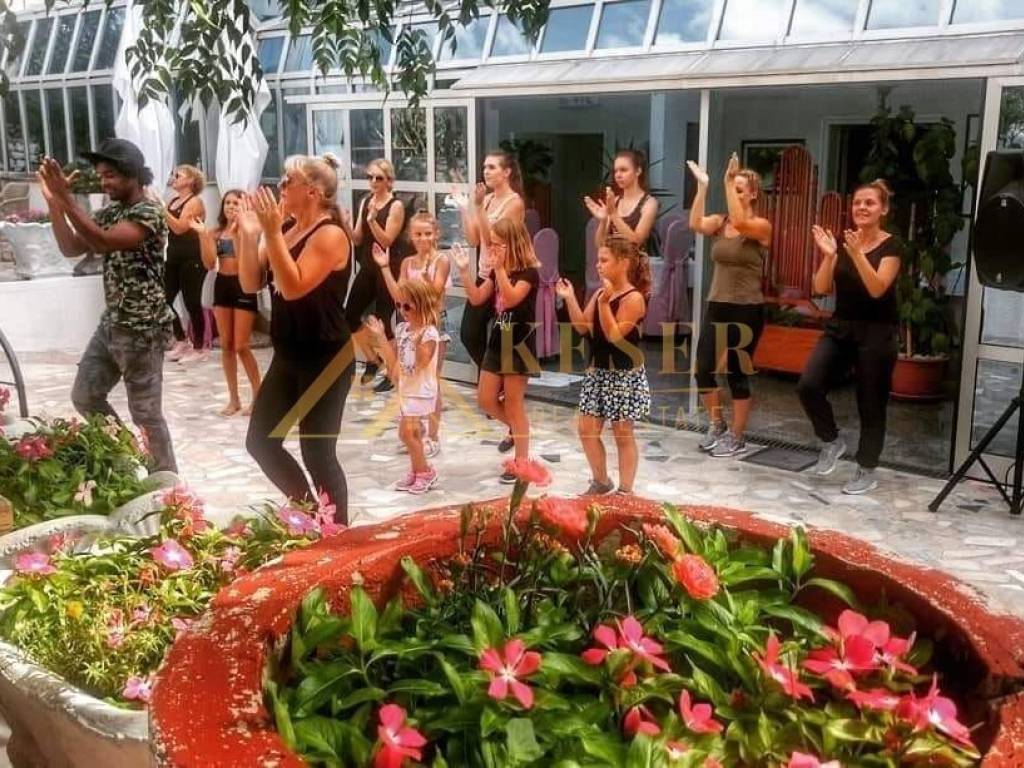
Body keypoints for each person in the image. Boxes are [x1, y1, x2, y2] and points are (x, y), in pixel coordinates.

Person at [37, 140, 177, 473]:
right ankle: (133, 456)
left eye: (110, 175)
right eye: (101, 175)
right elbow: (71, 247)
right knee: (85, 396)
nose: (104, 183)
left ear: (133, 174)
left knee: (146, 415)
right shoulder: (111, 213)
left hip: (143, 329)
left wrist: (67, 199)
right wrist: (55, 203)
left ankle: (167, 485)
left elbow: (103, 241)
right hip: (112, 324)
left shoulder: (149, 212)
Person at [237, 154, 353, 524]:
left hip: (326, 357)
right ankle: (312, 514)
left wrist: (270, 234)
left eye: (289, 181)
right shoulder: (286, 228)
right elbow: (250, 283)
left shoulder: (330, 234)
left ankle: (338, 533)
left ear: (313, 192)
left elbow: (293, 286)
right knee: (261, 441)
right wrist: (250, 234)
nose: (281, 186)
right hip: (290, 354)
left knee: (318, 453)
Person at [797, 179, 902, 495]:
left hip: (877, 333)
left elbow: (877, 288)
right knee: (809, 385)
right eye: (857, 203)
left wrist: (857, 254)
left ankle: (866, 468)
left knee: (871, 403)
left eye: (869, 203)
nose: (862, 208)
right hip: (841, 327)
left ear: (883, 209)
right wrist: (830, 256)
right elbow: (820, 288)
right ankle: (831, 440)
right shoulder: (845, 243)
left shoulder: (892, 246)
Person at [687, 154, 772, 458]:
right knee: (703, 369)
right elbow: (695, 223)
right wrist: (703, 186)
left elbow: (741, 222)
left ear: (753, 194)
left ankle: (737, 436)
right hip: (717, 304)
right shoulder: (720, 222)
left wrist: (726, 182)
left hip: (746, 308)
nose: (734, 194)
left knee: (737, 373)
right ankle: (717, 424)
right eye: (732, 189)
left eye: (739, 190)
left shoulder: (761, 226)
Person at [557, 236, 651, 496]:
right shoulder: (601, 293)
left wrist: (604, 304)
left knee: (622, 433)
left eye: (604, 260)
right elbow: (582, 327)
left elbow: (614, 336)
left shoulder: (634, 298)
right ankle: (601, 481)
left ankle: (625, 491)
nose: (598, 265)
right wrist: (570, 298)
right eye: (598, 260)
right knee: (586, 430)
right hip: (597, 372)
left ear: (623, 263)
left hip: (623, 376)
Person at [453, 218, 539, 484]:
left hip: (519, 343)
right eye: (490, 243)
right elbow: (477, 298)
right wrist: (465, 272)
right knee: (485, 399)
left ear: (512, 244)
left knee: (514, 403)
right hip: (498, 339)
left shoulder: (528, 273)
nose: (491, 249)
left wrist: (500, 268)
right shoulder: (495, 271)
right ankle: (517, 429)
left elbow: (511, 299)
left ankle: (521, 462)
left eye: (497, 244)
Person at [458, 150, 526, 455]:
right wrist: (467, 208)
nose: (486, 171)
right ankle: (494, 386)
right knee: (469, 333)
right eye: (484, 166)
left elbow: (493, 236)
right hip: (485, 272)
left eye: (492, 167)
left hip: (504, 275)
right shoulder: (485, 200)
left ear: (507, 172)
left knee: (501, 339)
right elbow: (475, 239)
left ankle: (507, 401)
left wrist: (477, 208)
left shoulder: (514, 203)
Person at [371, 209, 451, 457]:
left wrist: (425, 278)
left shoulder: (441, 261)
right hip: (409, 325)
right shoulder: (406, 263)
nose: (423, 238)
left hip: (433, 325)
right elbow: (399, 296)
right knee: (406, 377)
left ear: (436, 234)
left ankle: (433, 437)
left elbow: (433, 295)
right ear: (410, 236)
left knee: (431, 382)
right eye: (418, 234)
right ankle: (414, 430)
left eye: (427, 233)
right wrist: (385, 267)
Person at [364, 280, 442, 494]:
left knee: (408, 434)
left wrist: (416, 342)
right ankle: (418, 470)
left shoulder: (429, 333)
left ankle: (425, 472)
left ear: (421, 304)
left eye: (407, 306)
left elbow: (420, 365)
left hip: (421, 391)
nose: (402, 310)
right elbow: (395, 366)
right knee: (408, 434)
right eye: (399, 305)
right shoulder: (401, 330)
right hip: (407, 390)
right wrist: (381, 338)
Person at [192, 189, 261, 416]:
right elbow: (209, 263)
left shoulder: (248, 231)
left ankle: (258, 395)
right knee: (226, 345)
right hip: (223, 286)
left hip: (243, 286)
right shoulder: (216, 233)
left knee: (241, 345)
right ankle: (234, 399)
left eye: (235, 203)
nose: (231, 206)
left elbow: (244, 259)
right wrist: (203, 235)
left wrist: (238, 228)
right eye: (228, 202)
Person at [345, 158, 406, 394]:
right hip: (368, 267)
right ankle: (373, 360)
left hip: (387, 268)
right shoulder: (365, 201)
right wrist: (346, 224)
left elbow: (386, 240)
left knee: (385, 322)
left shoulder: (396, 205)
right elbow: (358, 238)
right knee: (350, 316)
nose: (373, 181)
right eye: (369, 177)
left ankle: (393, 373)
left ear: (389, 181)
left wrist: (372, 220)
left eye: (378, 178)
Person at [164, 165, 209, 362]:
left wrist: (161, 210)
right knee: (162, 299)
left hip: (193, 258)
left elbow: (180, 228)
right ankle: (181, 340)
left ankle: (199, 348)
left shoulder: (195, 202)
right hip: (173, 256)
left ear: (191, 181)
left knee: (192, 302)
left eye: (178, 175)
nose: (174, 178)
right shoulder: (173, 201)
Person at [584, 149, 659, 249]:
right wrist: (603, 221)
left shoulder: (649, 203)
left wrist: (614, 214)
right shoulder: (615, 201)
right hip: (612, 258)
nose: (618, 175)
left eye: (623, 170)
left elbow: (636, 242)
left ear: (638, 171)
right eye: (616, 171)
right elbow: (600, 245)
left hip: (636, 259)